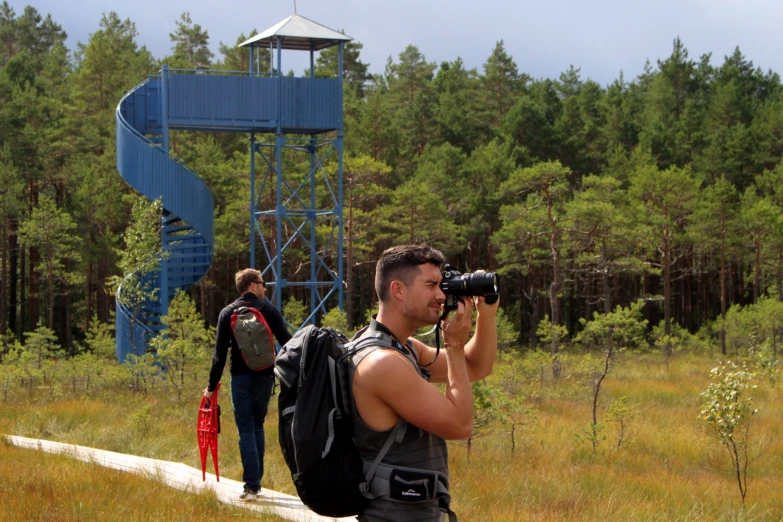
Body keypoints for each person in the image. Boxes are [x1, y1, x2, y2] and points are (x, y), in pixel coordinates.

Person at [350, 244, 498, 521]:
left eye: (441, 285)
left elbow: (476, 367)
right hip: (393, 514)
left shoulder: (403, 348)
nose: (441, 295)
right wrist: (454, 344)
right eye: (431, 285)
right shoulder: (382, 363)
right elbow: (460, 426)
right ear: (398, 290)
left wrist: (485, 315)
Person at [203, 268, 292, 501]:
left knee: (246, 429)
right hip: (264, 378)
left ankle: (251, 486)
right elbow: (289, 344)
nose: (265, 288)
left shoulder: (227, 313)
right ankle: (256, 483)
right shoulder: (268, 310)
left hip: (240, 379)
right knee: (258, 426)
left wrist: (211, 387)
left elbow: (219, 355)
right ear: (252, 285)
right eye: (263, 284)